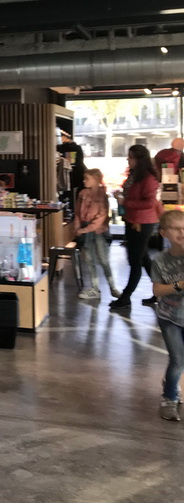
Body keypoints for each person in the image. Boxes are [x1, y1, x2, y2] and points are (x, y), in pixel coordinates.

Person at [110, 144, 161, 310]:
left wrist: (126, 202)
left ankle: (126, 296)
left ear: (139, 159)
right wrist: (121, 195)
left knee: (135, 260)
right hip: (133, 220)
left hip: (142, 222)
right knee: (143, 257)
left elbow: (149, 202)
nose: (127, 159)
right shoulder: (136, 175)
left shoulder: (148, 178)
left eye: (130, 157)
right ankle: (161, 291)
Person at [150, 209, 184, 421]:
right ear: (164, 233)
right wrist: (180, 286)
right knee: (178, 360)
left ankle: (170, 384)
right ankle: (169, 397)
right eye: (177, 228)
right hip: (170, 317)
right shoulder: (160, 261)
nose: (182, 232)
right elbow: (157, 291)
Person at [74, 168, 118, 300]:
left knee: (103, 259)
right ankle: (94, 288)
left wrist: (85, 229)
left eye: (87, 178)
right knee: (88, 259)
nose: (84, 181)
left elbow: (102, 216)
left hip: (98, 231)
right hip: (85, 229)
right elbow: (77, 212)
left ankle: (112, 287)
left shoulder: (102, 195)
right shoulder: (82, 193)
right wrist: (78, 227)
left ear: (96, 179)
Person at [57, 132, 87, 211]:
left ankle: (71, 210)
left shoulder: (64, 148)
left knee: (71, 195)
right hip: (76, 174)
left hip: (72, 175)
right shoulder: (77, 147)